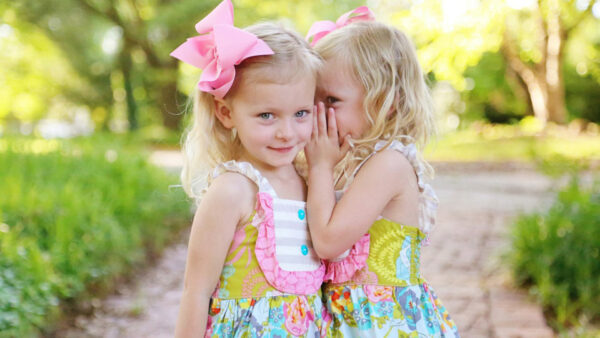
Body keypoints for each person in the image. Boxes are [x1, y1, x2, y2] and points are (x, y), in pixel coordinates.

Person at [172, 1, 328, 336]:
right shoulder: (233, 190)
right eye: (266, 116)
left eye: (301, 113)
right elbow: (196, 291)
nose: (287, 132)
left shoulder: (309, 180)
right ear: (226, 113)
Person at [304, 7, 461, 337]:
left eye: (331, 100)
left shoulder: (389, 163)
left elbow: (329, 242)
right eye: (313, 100)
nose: (318, 113)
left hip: (383, 324)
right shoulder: (350, 160)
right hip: (351, 319)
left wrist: (320, 167)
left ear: (385, 102)